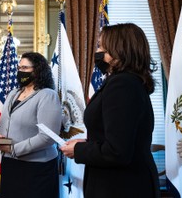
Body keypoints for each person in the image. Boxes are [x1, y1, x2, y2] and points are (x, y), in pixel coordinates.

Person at [60, 23, 160, 198]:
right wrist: (89, 142)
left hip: (120, 187)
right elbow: (116, 135)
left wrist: (79, 151)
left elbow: (117, 152)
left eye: (101, 47)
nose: (97, 52)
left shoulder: (122, 85)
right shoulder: (127, 82)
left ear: (119, 51)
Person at [0, 52, 62, 198]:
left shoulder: (47, 95)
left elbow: (48, 137)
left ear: (37, 70)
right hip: (10, 164)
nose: (20, 71)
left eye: (25, 68)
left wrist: (13, 149)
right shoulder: (13, 93)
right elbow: (3, 124)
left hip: (36, 168)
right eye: (19, 68)